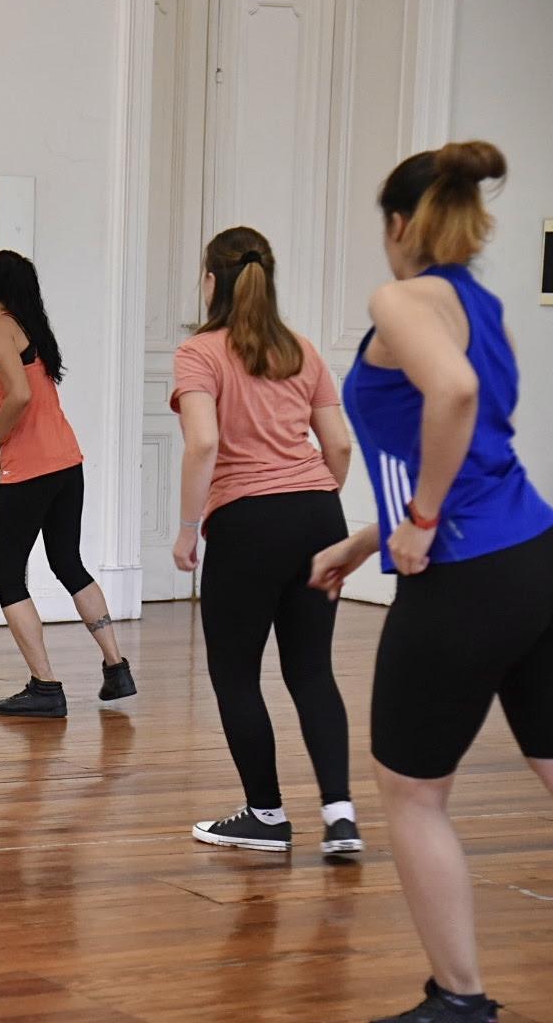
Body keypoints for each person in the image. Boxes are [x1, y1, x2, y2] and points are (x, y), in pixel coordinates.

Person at [309, 140, 553, 1022]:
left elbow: (454, 396)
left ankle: (459, 1000)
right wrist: (376, 535)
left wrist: (424, 523)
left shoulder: (398, 300)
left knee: (411, 793)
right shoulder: (487, 306)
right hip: (550, 565)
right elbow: (476, 448)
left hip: (469, 580)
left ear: (399, 225)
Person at [171, 227, 360, 856]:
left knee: (235, 673)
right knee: (311, 672)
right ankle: (340, 819)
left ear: (209, 281)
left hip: (248, 524)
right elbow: (338, 445)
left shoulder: (200, 353)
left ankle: (267, 817)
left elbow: (203, 443)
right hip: (318, 516)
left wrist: (186, 527)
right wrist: (312, 500)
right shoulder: (303, 351)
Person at [0, 250, 135, 718]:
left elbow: (19, 399)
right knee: (68, 563)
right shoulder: (33, 330)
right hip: (66, 464)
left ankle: (45, 687)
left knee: (7, 576)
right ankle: (116, 667)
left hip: (30, 471)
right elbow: (33, 418)